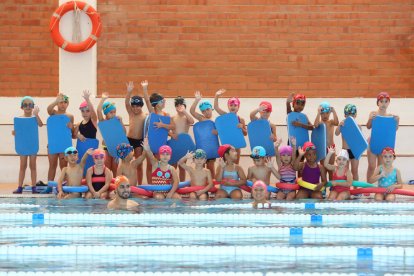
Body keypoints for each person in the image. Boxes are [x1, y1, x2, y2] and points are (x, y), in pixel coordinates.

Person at [141, 80, 176, 184]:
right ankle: (150, 185)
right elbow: (147, 101)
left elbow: (173, 126)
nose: (164, 102)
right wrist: (144, 88)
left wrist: (163, 125)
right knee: (149, 164)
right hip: (151, 143)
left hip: (161, 143)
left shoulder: (166, 115)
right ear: (156, 104)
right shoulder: (152, 113)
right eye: (162, 101)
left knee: (160, 164)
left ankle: (161, 183)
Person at [13, 96, 44, 194]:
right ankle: (19, 187)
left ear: (33, 107)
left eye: (30, 105)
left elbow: (41, 124)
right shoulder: (19, 119)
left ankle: (34, 187)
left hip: (32, 145)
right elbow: (18, 132)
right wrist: (14, 133)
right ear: (21, 107)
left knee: (33, 166)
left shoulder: (35, 118)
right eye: (25, 105)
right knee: (22, 166)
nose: (28, 107)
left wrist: (37, 115)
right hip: (23, 145)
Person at [366, 92, 400, 181]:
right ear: (378, 103)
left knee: (380, 168)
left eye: (386, 101)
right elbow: (368, 126)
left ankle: (379, 187)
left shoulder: (390, 117)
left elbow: (394, 130)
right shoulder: (373, 113)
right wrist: (370, 118)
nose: (383, 104)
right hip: (372, 143)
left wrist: (397, 121)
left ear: (388, 103)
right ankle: (368, 186)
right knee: (371, 166)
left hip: (384, 146)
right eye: (381, 101)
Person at [214, 89, 247, 164]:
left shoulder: (241, 119)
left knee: (236, 165)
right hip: (227, 147)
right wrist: (216, 96)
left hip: (237, 146)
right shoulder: (225, 116)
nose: (233, 107)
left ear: (238, 107)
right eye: (231, 105)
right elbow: (216, 108)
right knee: (226, 164)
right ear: (228, 106)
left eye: (235, 105)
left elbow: (245, 133)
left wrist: (241, 127)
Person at [97, 92, 126, 176]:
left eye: (114, 112)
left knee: (115, 167)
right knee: (107, 167)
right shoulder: (103, 122)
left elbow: (124, 133)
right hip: (106, 147)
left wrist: (121, 122)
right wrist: (103, 99)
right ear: (106, 113)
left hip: (115, 147)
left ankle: (115, 184)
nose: (113, 114)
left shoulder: (117, 121)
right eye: (111, 112)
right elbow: (98, 110)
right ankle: (107, 184)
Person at [47, 93, 74, 181]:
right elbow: (49, 109)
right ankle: (49, 186)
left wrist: (72, 127)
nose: (63, 104)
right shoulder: (53, 113)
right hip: (53, 144)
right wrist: (56, 101)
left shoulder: (70, 116)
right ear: (58, 103)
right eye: (60, 102)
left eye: (65, 102)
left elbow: (73, 134)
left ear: (68, 104)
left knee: (63, 167)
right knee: (52, 165)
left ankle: (64, 186)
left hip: (64, 145)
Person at [190, 90, 218, 177]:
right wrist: (197, 100)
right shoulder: (202, 118)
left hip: (211, 148)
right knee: (200, 167)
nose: (206, 112)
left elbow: (220, 134)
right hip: (202, 147)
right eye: (204, 111)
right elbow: (192, 111)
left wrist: (217, 132)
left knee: (210, 167)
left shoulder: (216, 122)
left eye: (207, 109)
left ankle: (212, 185)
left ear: (211, 108)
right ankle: (201, 184)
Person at [124, 81, 146, 185]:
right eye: (134, 106)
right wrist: (129, 92)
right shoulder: (131, 113)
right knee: (125, 163)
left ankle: (140, 185)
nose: (135, 108)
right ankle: (125, 183)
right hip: (129, 140)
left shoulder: (145, 116)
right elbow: (126, 102)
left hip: (139, 141)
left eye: (138, 106)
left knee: (139, 164)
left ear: (141, 106)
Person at [170, 96, 195, 181]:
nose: (179, 107)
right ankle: (172, 184)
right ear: (175, 107)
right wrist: (170, 134)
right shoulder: (172, 117)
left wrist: (184, 112)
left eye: (181, 105)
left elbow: (192, 121)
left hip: (183, 145)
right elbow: (167, 129)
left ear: (184, 106)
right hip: (174, 144)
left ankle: (182, 185)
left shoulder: (186, 117)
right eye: (177, 105)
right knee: (173, 166)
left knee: (182, 167)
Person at [335, 104, 361, 180]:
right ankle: (346, 189)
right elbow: (336, 133)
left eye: (352, 115)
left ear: (355, 115)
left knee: (355, 171)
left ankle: (356, 189)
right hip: (345, 151)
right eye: (348, 114)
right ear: (345, 115)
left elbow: (359, 140)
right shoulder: (343, 124)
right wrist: (339, 126)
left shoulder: (358, 126)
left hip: (355, 151)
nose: (350, 116)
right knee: (344, 171)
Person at [314, 101, 339, 178]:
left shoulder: (330, 122)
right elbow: (315, 124)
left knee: (331, 168)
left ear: (329, 113)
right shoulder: (320, 123)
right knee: (323, 169)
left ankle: (331, 187)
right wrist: (318, 112)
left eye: (327, 113)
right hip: (322, 148)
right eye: (323, 113)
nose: (325, 115)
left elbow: (337, 122)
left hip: (331, 147)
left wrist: (334, 111)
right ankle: (324, 188)